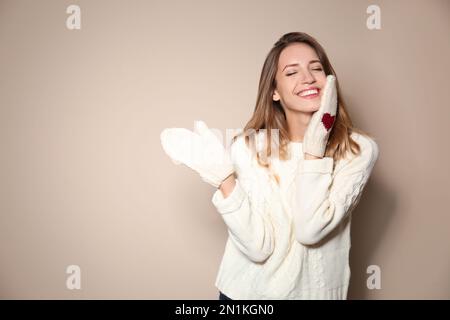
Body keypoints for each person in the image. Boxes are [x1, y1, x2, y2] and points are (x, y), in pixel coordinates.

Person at [160, 31, 379, 300]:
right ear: (274, 91)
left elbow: (310, 229)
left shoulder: (358, 149)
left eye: (316, 68)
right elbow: (257, 247)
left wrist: (315, 146)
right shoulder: (251, 147)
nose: (308, 78)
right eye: (291, 72)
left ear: (330, 80)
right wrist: (224, 179)